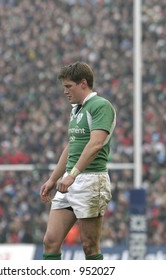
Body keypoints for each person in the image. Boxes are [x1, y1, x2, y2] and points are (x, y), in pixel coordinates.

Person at [40, 61, 116, 260]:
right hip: (69, 180)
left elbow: (96, 144)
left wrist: (73, 175)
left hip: (91, 180)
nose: (65, 91)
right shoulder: (76, 110)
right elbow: (71, 146)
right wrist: (53, 179)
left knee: (89, 245)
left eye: (68, 86)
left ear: (83, 83)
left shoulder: (101, 106)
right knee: (50, 241)